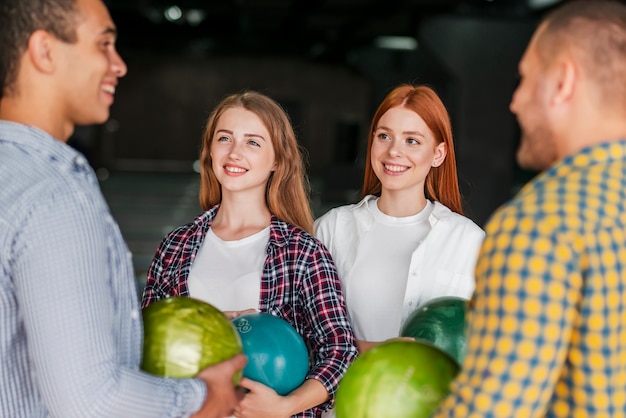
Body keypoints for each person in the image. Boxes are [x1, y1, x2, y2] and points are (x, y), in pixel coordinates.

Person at [0, 0, 246, 417]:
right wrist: (204, 397)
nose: (119, 65)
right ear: (45, 51)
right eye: (104, 44)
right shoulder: (54, 192)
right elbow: (90, 401)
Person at [433, 1, 626, 416]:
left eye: (524, 79)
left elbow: (494, 410)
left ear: (563, 82)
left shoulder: (543, 221)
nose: (515, 102)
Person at [141, 90, 359, 418]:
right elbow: (143, 343)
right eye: (224, 138)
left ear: (277, 160)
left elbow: (341, 351)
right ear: (210, 150)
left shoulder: (302, 252)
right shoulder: (175, 246)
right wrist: (210, 323)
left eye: (253, 142)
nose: (235, 153)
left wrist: (286, 406)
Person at [315, 84, 485, 353]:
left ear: (438, 154)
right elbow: (305, 332)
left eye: (412, 141)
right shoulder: (331, 229)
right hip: (345, 393)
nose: (394, 151)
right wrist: (385, 351)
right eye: (384, 136)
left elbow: (487, 341)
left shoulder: (468, 241)